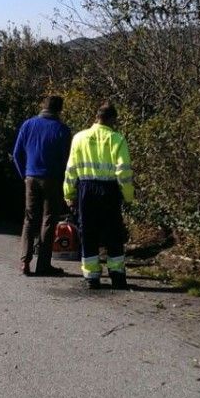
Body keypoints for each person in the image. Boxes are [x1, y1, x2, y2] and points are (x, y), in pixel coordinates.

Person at [63, 102, 134, 290]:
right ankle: (117, 274)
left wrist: (68, 193)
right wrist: (128, 196)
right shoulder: (117, 139)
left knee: (87, 231)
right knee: (113, 232)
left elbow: (71, 169)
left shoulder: (79, 138)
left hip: (86, 189)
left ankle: (91, 275)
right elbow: (124, 171)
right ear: (112, 119)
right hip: (109, 190)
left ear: (96, 116)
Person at [12, 95, 72, 276]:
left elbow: (16, 153)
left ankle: (25, 261)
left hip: (31, 176)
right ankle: (43, 264)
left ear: (43, 107)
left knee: (30, 219)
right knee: (48, 220)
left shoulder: (28, 125)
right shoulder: (62, 129)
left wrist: (24, 174)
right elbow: (66, 158)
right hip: (52, 178)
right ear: (59, 110)